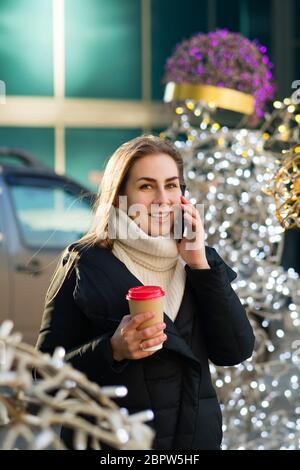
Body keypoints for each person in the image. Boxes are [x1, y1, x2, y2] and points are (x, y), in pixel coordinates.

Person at [36, 135, 255, 450]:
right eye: (146, 186)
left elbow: (235, 351)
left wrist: (199, 264)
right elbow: (44, 376)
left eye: (172, 185)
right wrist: (113, 350)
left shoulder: (198, 260)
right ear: (120, 193)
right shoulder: (85, 261)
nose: (163, 199)